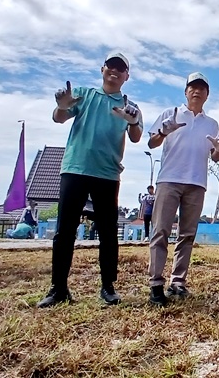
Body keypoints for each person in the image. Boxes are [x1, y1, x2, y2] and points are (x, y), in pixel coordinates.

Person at [37, 52, 143, 308]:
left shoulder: (130, 105)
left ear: (127, 76)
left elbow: (137, 136)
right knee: (65, 232)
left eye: (121, 69)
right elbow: (59, 117)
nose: (114, 72)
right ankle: (58, 288)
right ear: (102, 69)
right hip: (75, 169)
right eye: (111, 67)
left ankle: (108, 287)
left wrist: (133, 122)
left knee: (108, 233)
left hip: (107, 173)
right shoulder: (84, 94)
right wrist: (62, 105)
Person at [145, 72, 219, 307]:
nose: (197, 91)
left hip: (197, 183)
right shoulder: (170, 114)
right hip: (169, 180)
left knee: (187, 235)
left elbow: (216, 156)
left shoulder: (211, 124)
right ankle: (155, 284)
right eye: (192, 87)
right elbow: (151, 142)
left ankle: (178, 282)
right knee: (160, 231)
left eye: (202, 88)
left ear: (207, 94)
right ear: (185, 91)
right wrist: (163, 132)